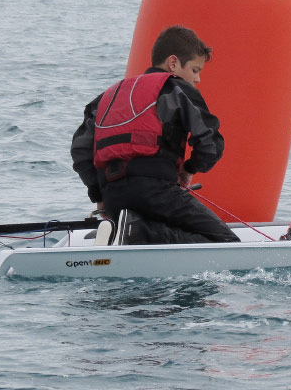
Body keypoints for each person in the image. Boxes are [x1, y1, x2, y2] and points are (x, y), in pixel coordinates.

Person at [70, 25, 240, 245]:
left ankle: (121, 231)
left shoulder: (105, 98)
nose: (197, 79)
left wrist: (99, 196)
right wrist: (189, 169)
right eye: (195, 70)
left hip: (112, 197)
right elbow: (210, 143)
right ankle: (136, 232)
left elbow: (80, 150)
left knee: (160, 226)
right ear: (173, 63)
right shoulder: (177, 88)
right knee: (225, 242)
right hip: (157, 193)